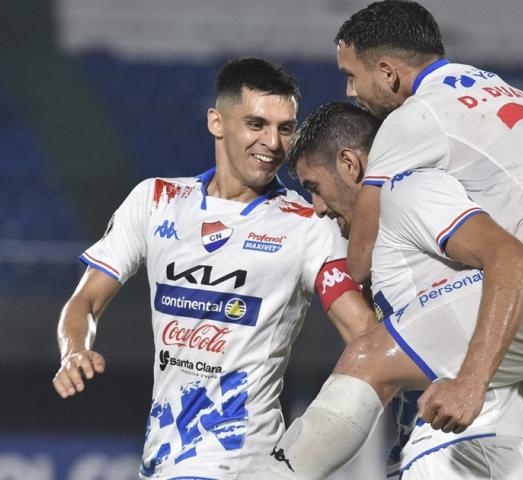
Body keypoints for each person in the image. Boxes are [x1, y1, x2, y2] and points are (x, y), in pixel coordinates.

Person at [271, 1, 523, 478]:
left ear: (387, 73)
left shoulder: (413, 120)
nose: (351, 91)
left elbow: (362, 259)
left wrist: (469, 378)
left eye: (352, 75)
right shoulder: (508, 94)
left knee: (371, 359)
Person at [51, 58, 376, 479]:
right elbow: (84, 301)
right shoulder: (156, 200)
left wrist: (317, 436)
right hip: (162, 457)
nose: (273, 143)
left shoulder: (307, 223)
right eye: (256, 124)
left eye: (285, 128)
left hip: (240, 460)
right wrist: (74, 349)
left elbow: (363, 335)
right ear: (216, 122)